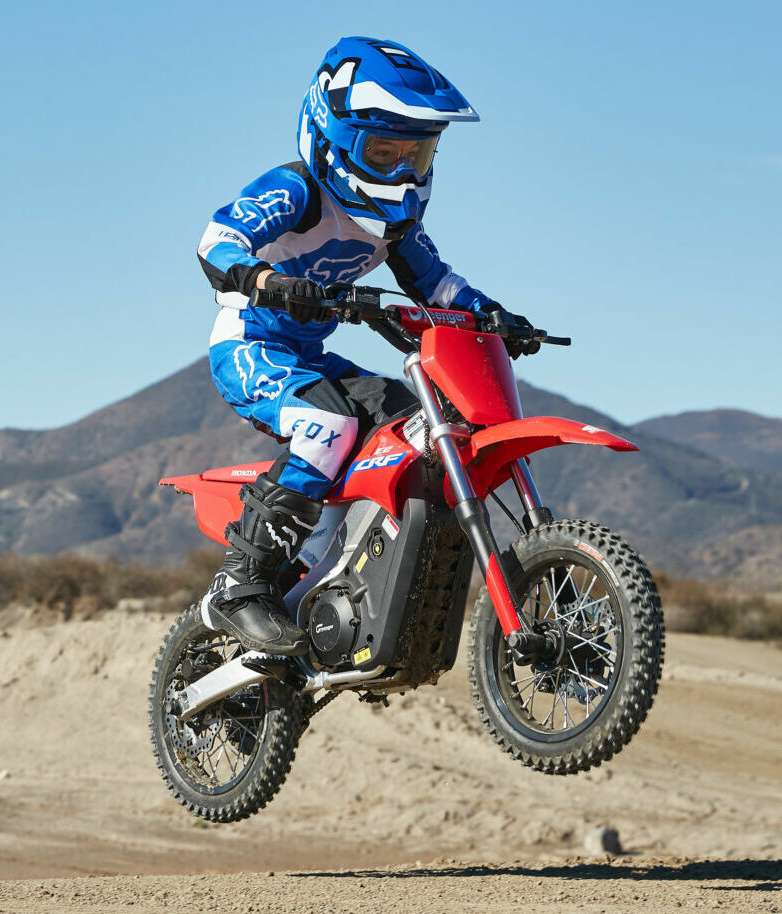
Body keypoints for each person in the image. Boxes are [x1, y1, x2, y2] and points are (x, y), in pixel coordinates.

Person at [196, 36, 539, 654]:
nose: (404, 170)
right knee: (326, 426)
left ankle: (338, 577)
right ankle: (239, 586)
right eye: (384, 151)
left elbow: (437, 282)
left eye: (420, 152)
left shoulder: (396, 223)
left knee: (419, 432)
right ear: (332, 135)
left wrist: (496, 316)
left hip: (313, 358)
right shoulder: (298, 191)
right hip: (251, 347)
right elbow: (218, 240)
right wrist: (265, 281)